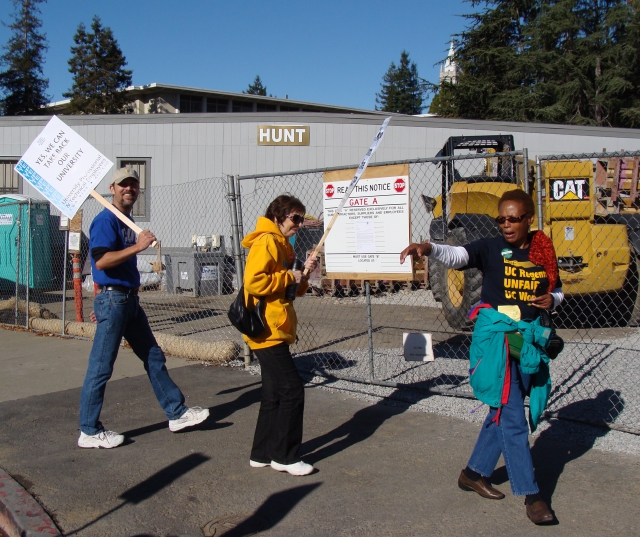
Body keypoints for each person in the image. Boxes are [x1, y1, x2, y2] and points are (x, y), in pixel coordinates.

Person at [400, 189, 563, 525]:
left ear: (529, 219)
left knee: (500, 411)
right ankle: (532, 495)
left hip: (526, 341)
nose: (506, 225)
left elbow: (557, 289)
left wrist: (554, 300)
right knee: (512, 416)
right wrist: (429, 248)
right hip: (495, 342)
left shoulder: (543, 250)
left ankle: (473, 473)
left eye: (513, 219)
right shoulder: (490, 247)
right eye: (501, 219)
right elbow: (458, 254)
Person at [78, 167, 209, 449]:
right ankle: (88, 430)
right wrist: (138, 247)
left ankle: (177, 413)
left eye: (134, 185)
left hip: (127, 302)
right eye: (123, 184)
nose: (129, 189)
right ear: (112, 189)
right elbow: (101, 261)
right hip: (115, 301)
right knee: (100, 367)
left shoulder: (127, 220)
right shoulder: (105, 220)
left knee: (153, 356)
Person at [241, 194, 318, 476]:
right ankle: (285, 457)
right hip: (267, 330)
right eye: (295, 218)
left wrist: (304, 274)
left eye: (302, 219)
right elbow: (253, 281)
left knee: (273, 393)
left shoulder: (283, 245)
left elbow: (291, 292)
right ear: (277, 217)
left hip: (274, 328)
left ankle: (261, 453)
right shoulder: (267, 241)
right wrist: (289, 277)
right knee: (292, 390)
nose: (299, 224)